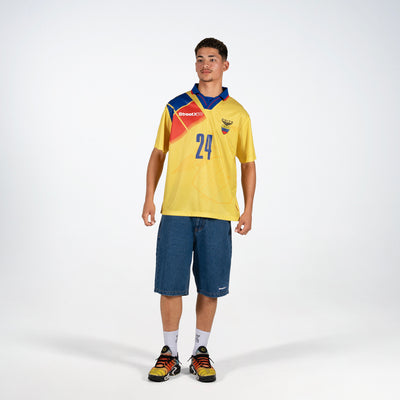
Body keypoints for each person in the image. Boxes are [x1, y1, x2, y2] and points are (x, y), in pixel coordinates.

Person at [142, 37, 256, 383]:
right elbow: (158, 153)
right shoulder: (177, 107)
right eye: (200, 59)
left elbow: (248, 163)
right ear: (195, 65)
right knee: (170, 285)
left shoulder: (237, 113)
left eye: (212, 59)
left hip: (218, 212)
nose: (206, 65)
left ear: (225, 65)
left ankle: (200, 351)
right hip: (177, 209)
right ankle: (169, 353)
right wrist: (149, 197)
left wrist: (248, 208)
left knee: (209, 287)